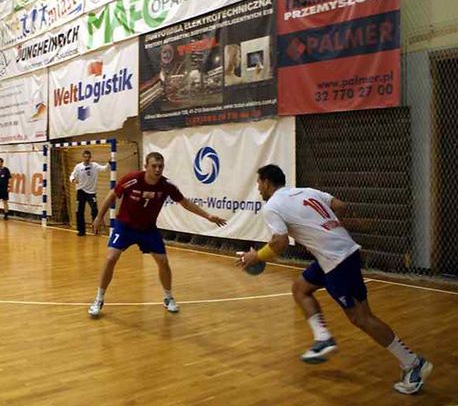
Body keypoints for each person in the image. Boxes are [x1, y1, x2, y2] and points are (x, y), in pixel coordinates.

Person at [237, 164, 433, 395]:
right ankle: (323, 338)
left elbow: (278, 244)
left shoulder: (272, 207)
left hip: (338, 259)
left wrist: (255, 256)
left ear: (267, 183)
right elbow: (341, 206)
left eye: (259, 183)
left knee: (361, 317)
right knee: (300, 288)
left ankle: (412, 363)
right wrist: (322, 230)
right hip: (335, 254)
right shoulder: (307, 191)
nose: (258, 187)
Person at [88, 152, 227, 318]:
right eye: (154, 166)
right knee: (111, 258)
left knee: (163, 261)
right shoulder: (131, 179)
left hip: (148, 229)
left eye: (160, 166)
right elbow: (112, 195)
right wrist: (99, 217)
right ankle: (99, 298)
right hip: (125, 226)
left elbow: (185, 203)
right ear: (146, 167)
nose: (157, 169)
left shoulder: (166, 185)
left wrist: (208, 216)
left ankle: (168, 297)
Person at [69, 150, 109, 236]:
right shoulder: (78, 167)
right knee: (79, 211)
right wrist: (73, 179)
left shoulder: (94, 166)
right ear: (83, 157)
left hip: (91, 192)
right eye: (85, 157)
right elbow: (72, 175)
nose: (87, 159)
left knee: (95, 210)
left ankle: (95, 229)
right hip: (81, 191)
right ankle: (81, 231)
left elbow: (104, 168)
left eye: (88, 157)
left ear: (90, 157)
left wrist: (109, 163)